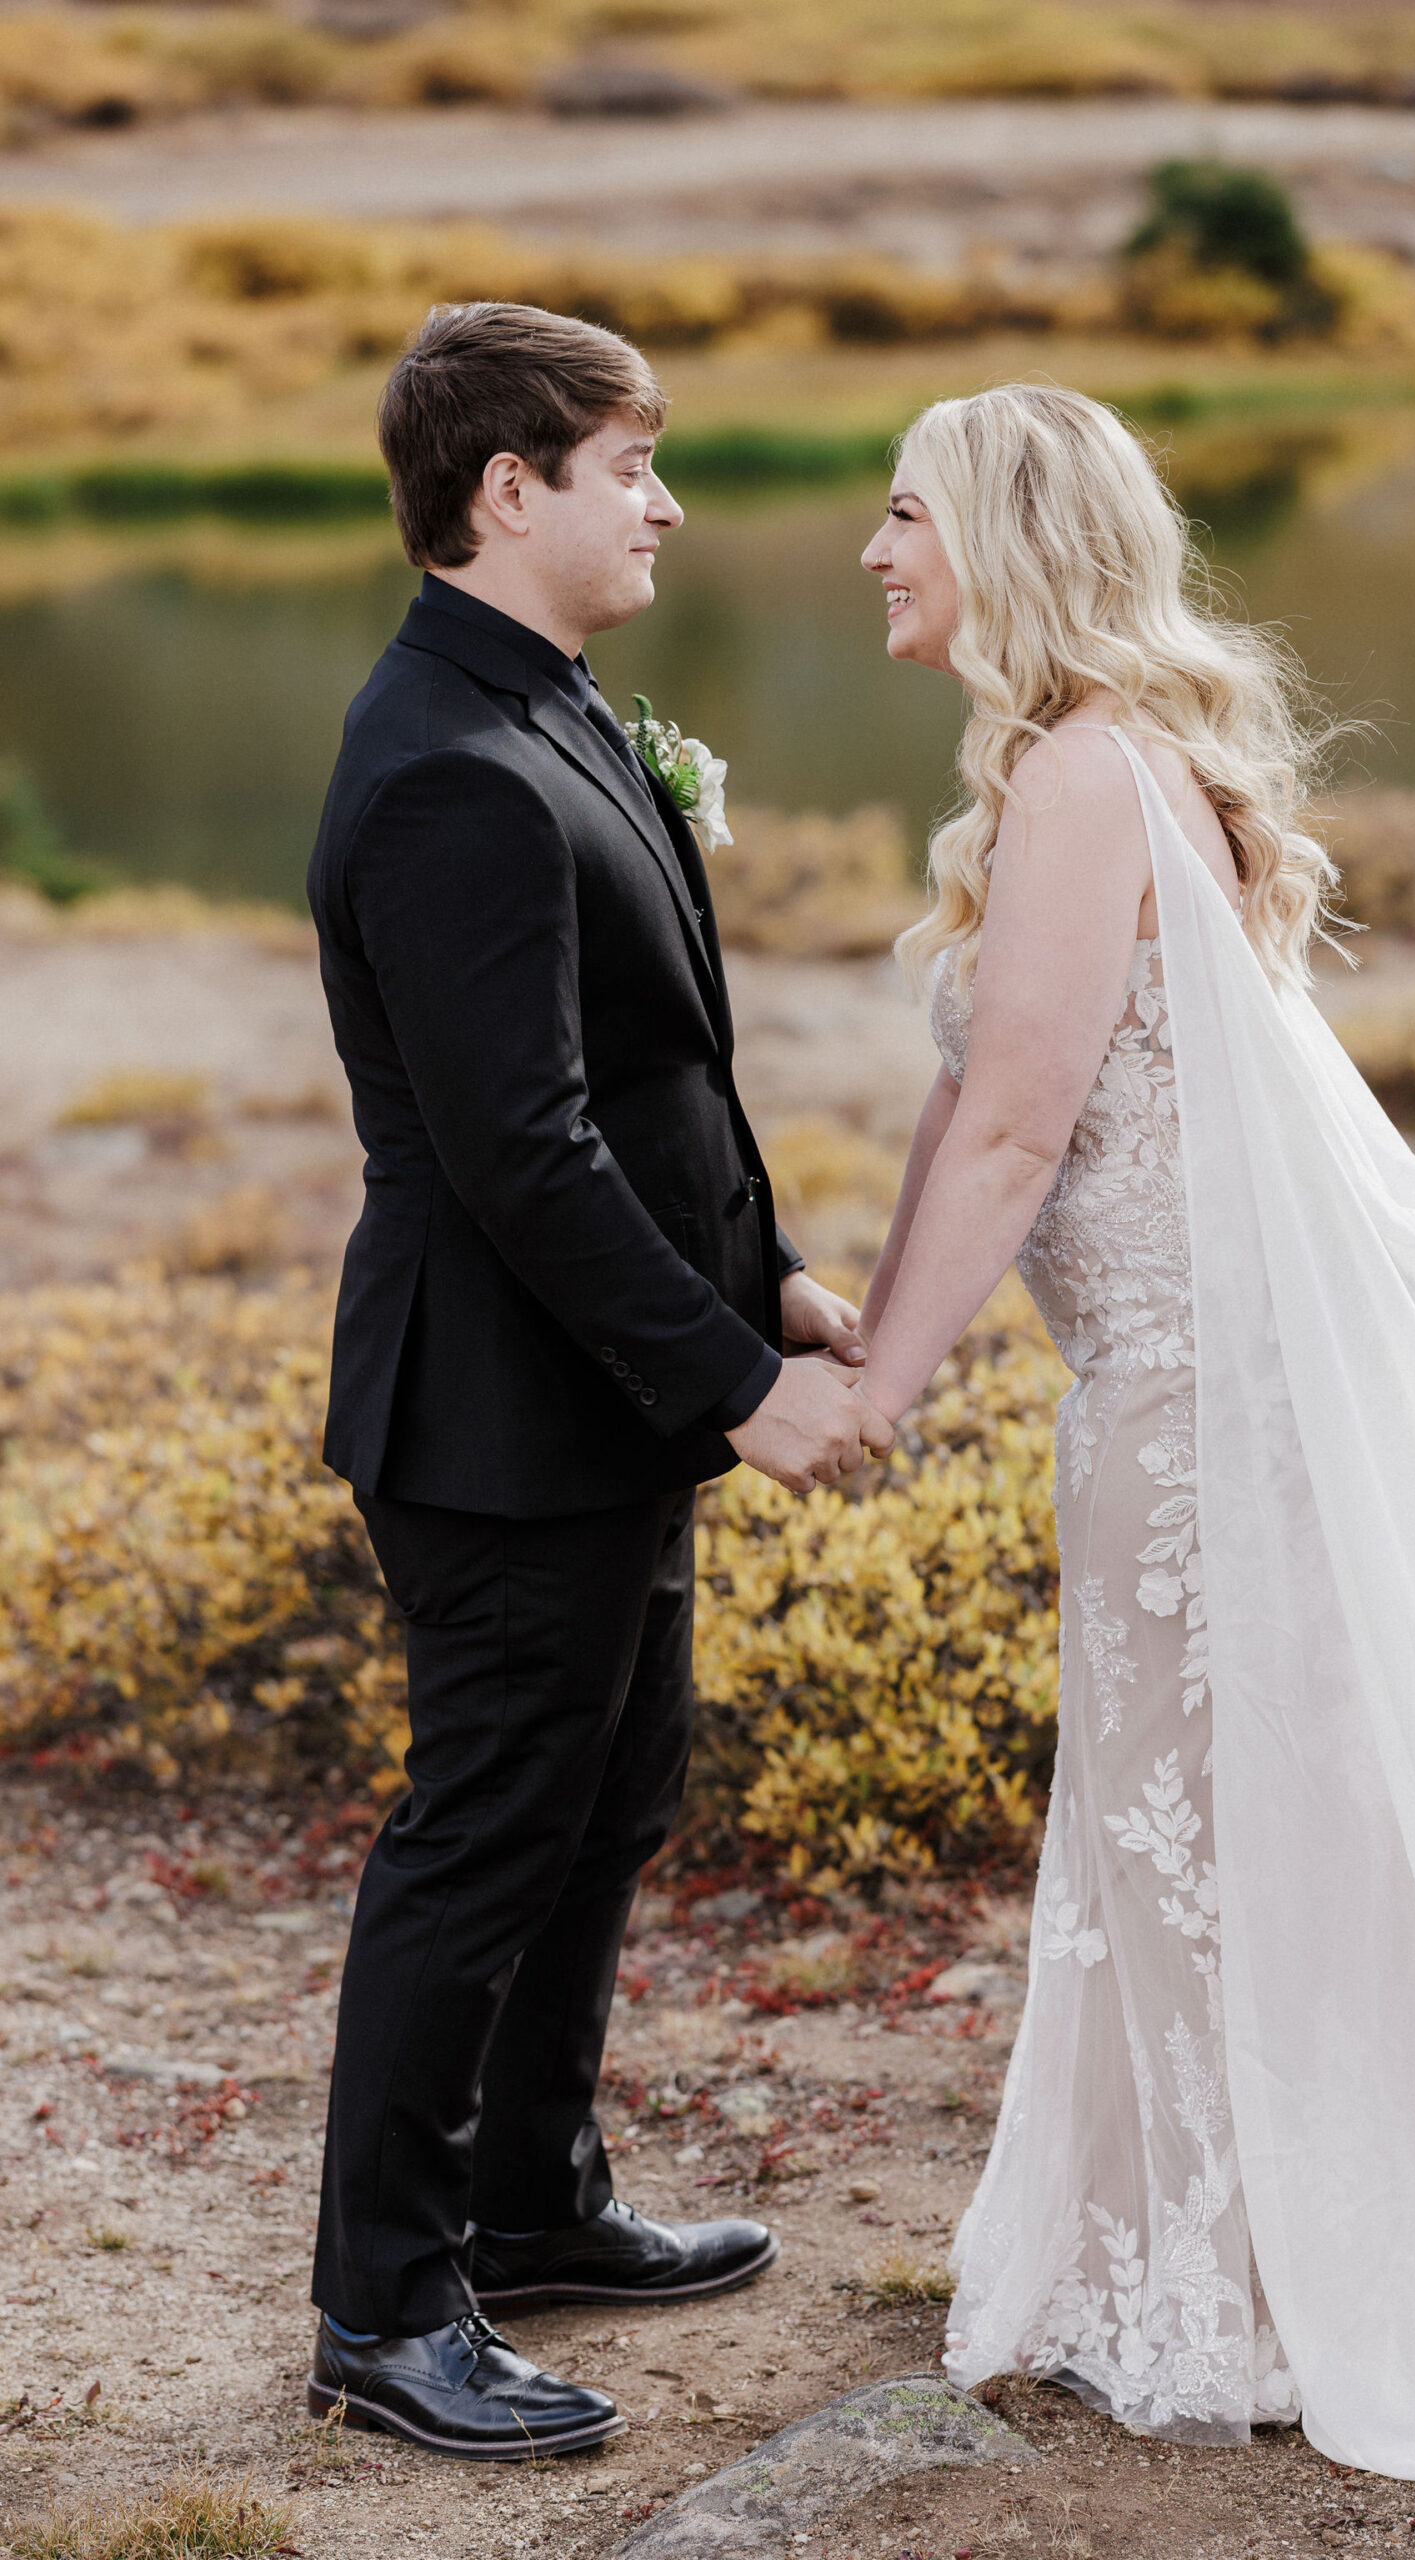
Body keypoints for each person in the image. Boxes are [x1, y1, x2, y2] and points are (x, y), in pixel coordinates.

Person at [855, 382, 1415, 2541]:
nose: (869, 551)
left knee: (1207, 1849)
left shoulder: (1078, 777)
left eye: (899, 513)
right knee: (1209, 1837)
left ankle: (1238, 2289)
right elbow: (975, 1129)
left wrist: (877, 1399)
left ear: (1001, 537)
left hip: (1181, 1406)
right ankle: (1203, 2254)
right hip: (1166, 1396)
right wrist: (861, 1319)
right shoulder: (1098, 767)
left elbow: (1032, 1117)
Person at [304, 300, 891, 2461]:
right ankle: (382, 2302)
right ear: (505, 489)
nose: (665, 499)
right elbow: (519, 1157)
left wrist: (781, 1279)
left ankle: (530, 2200)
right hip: (497, 1415)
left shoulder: (544, 707)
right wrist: (736, 1377)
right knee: (481, 1839)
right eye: (628, 462)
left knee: (601, 1805)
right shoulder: (446, 763)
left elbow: (648, 1086)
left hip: (601, 1400)